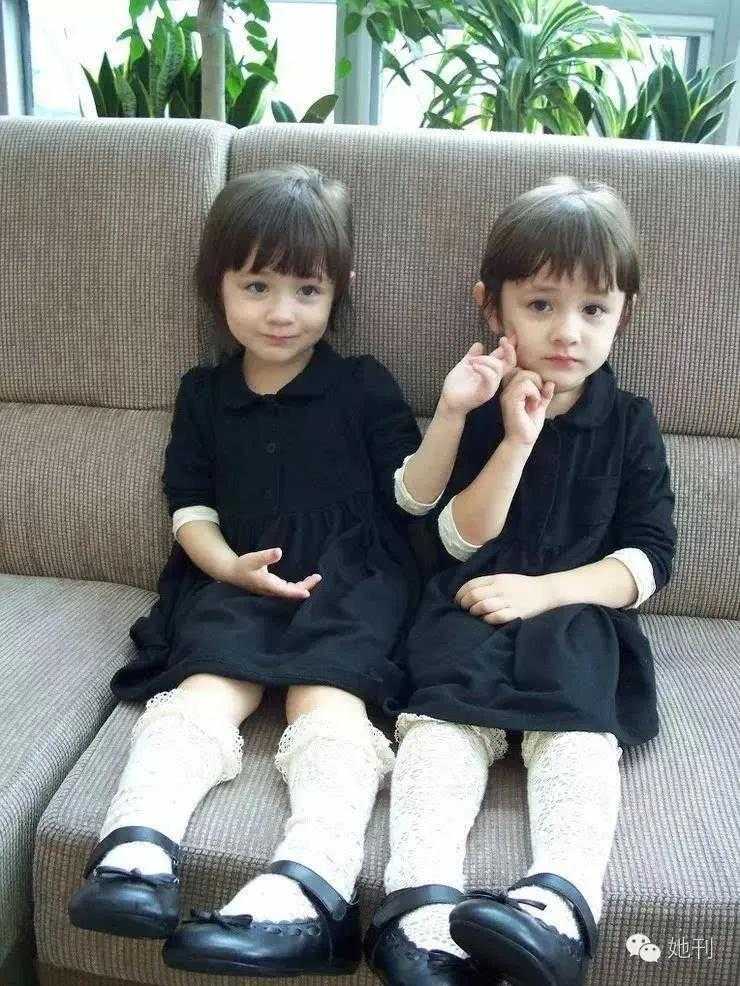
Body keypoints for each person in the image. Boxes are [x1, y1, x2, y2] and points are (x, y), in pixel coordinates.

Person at [68, 164, 424, 979]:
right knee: (201, 690)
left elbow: (411, 496)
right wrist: (227, 565)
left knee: (328, 701)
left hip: (351, 578)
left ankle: (314, 889)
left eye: (306, 290)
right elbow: (189, 506)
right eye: (256, 286)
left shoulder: (362, 384)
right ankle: (137, 848)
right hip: (234, 573)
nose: (280, 312)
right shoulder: (204, 394)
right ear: (217, 286)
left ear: (339, 291)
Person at [364, 176, 677, 986]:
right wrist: (511, 439)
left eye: (593, 309)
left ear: (623, 315)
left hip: (575, 613)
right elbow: (452, 536)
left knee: (578, 734)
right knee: (438, 725)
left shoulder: (631, 423)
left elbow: (650, 559)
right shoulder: (477, 404)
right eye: (541, 305)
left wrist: (548, 591)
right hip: (468, 604)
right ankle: (419, 913)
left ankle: (559, 909)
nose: (568, 332)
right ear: (492, 308)